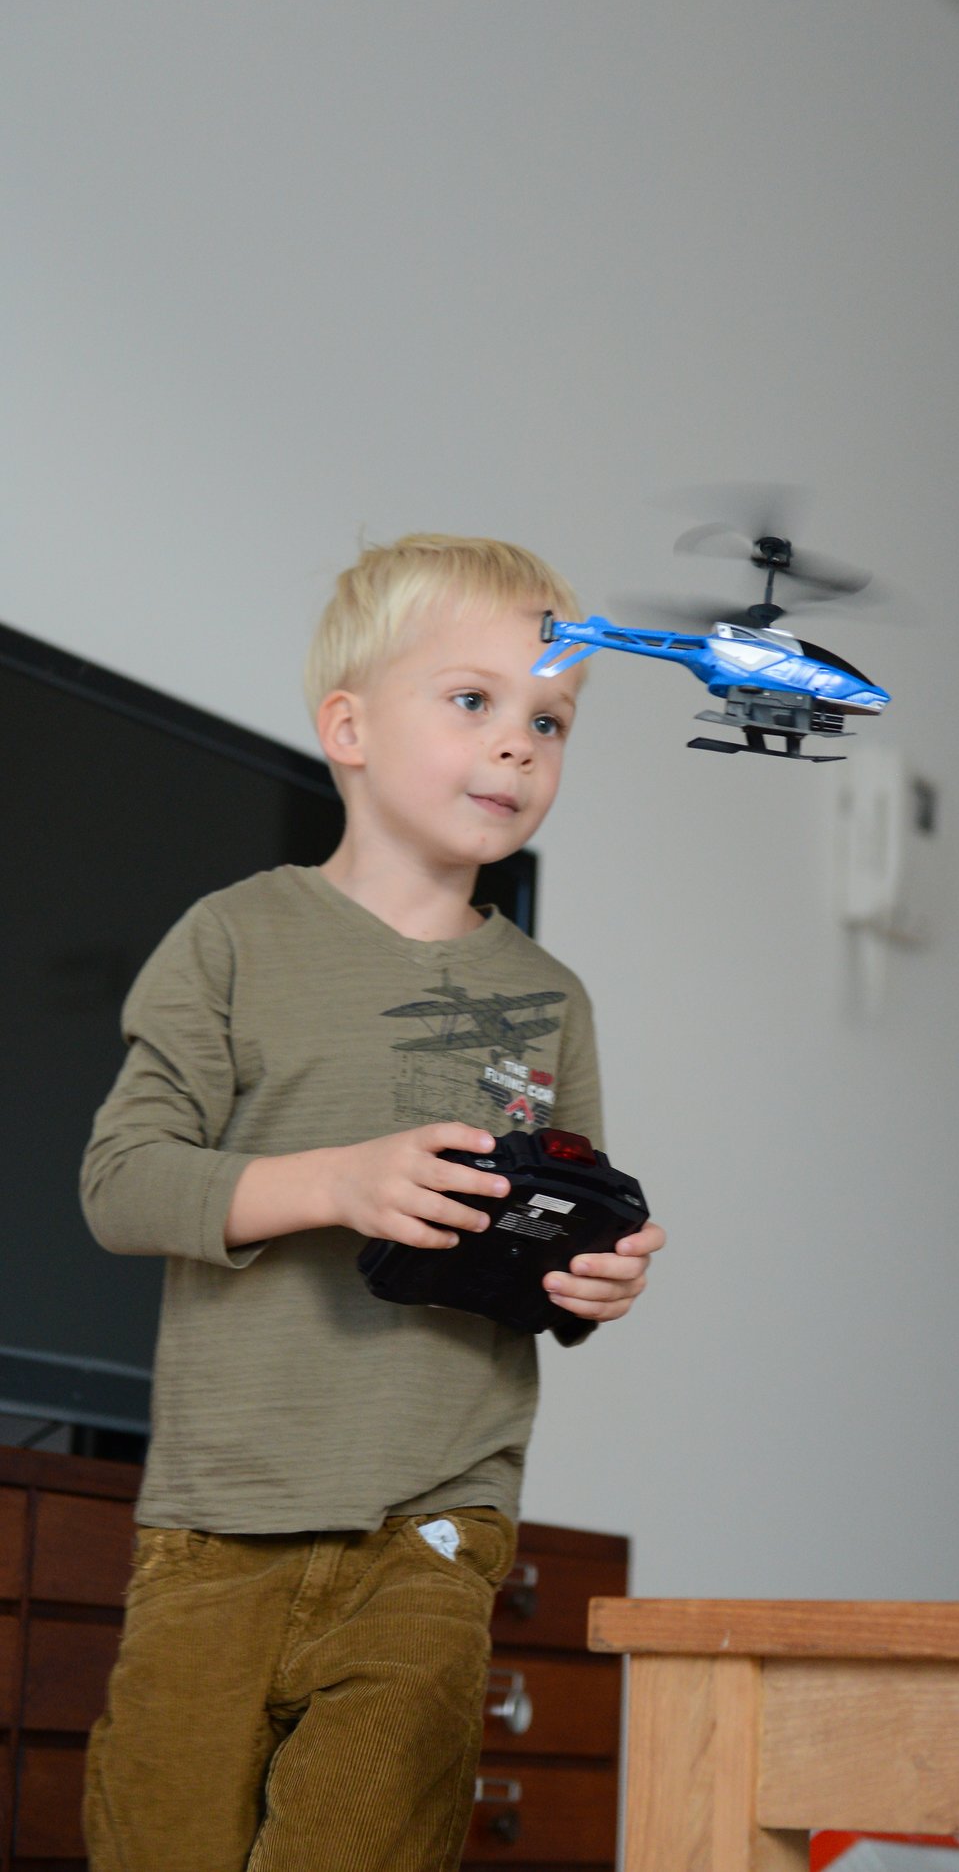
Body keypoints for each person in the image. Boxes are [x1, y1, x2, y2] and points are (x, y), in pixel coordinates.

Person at [79, 533, 665, 1872]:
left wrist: (597, 1275)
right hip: (220, 1514)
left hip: (435, 1516)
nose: (517, 746)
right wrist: (338, 1182)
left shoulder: (548, 998)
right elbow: (122, 1182)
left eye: (550, 721)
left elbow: (550, 1230)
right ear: (347, 725)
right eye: (473, 701)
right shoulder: (233, 940)